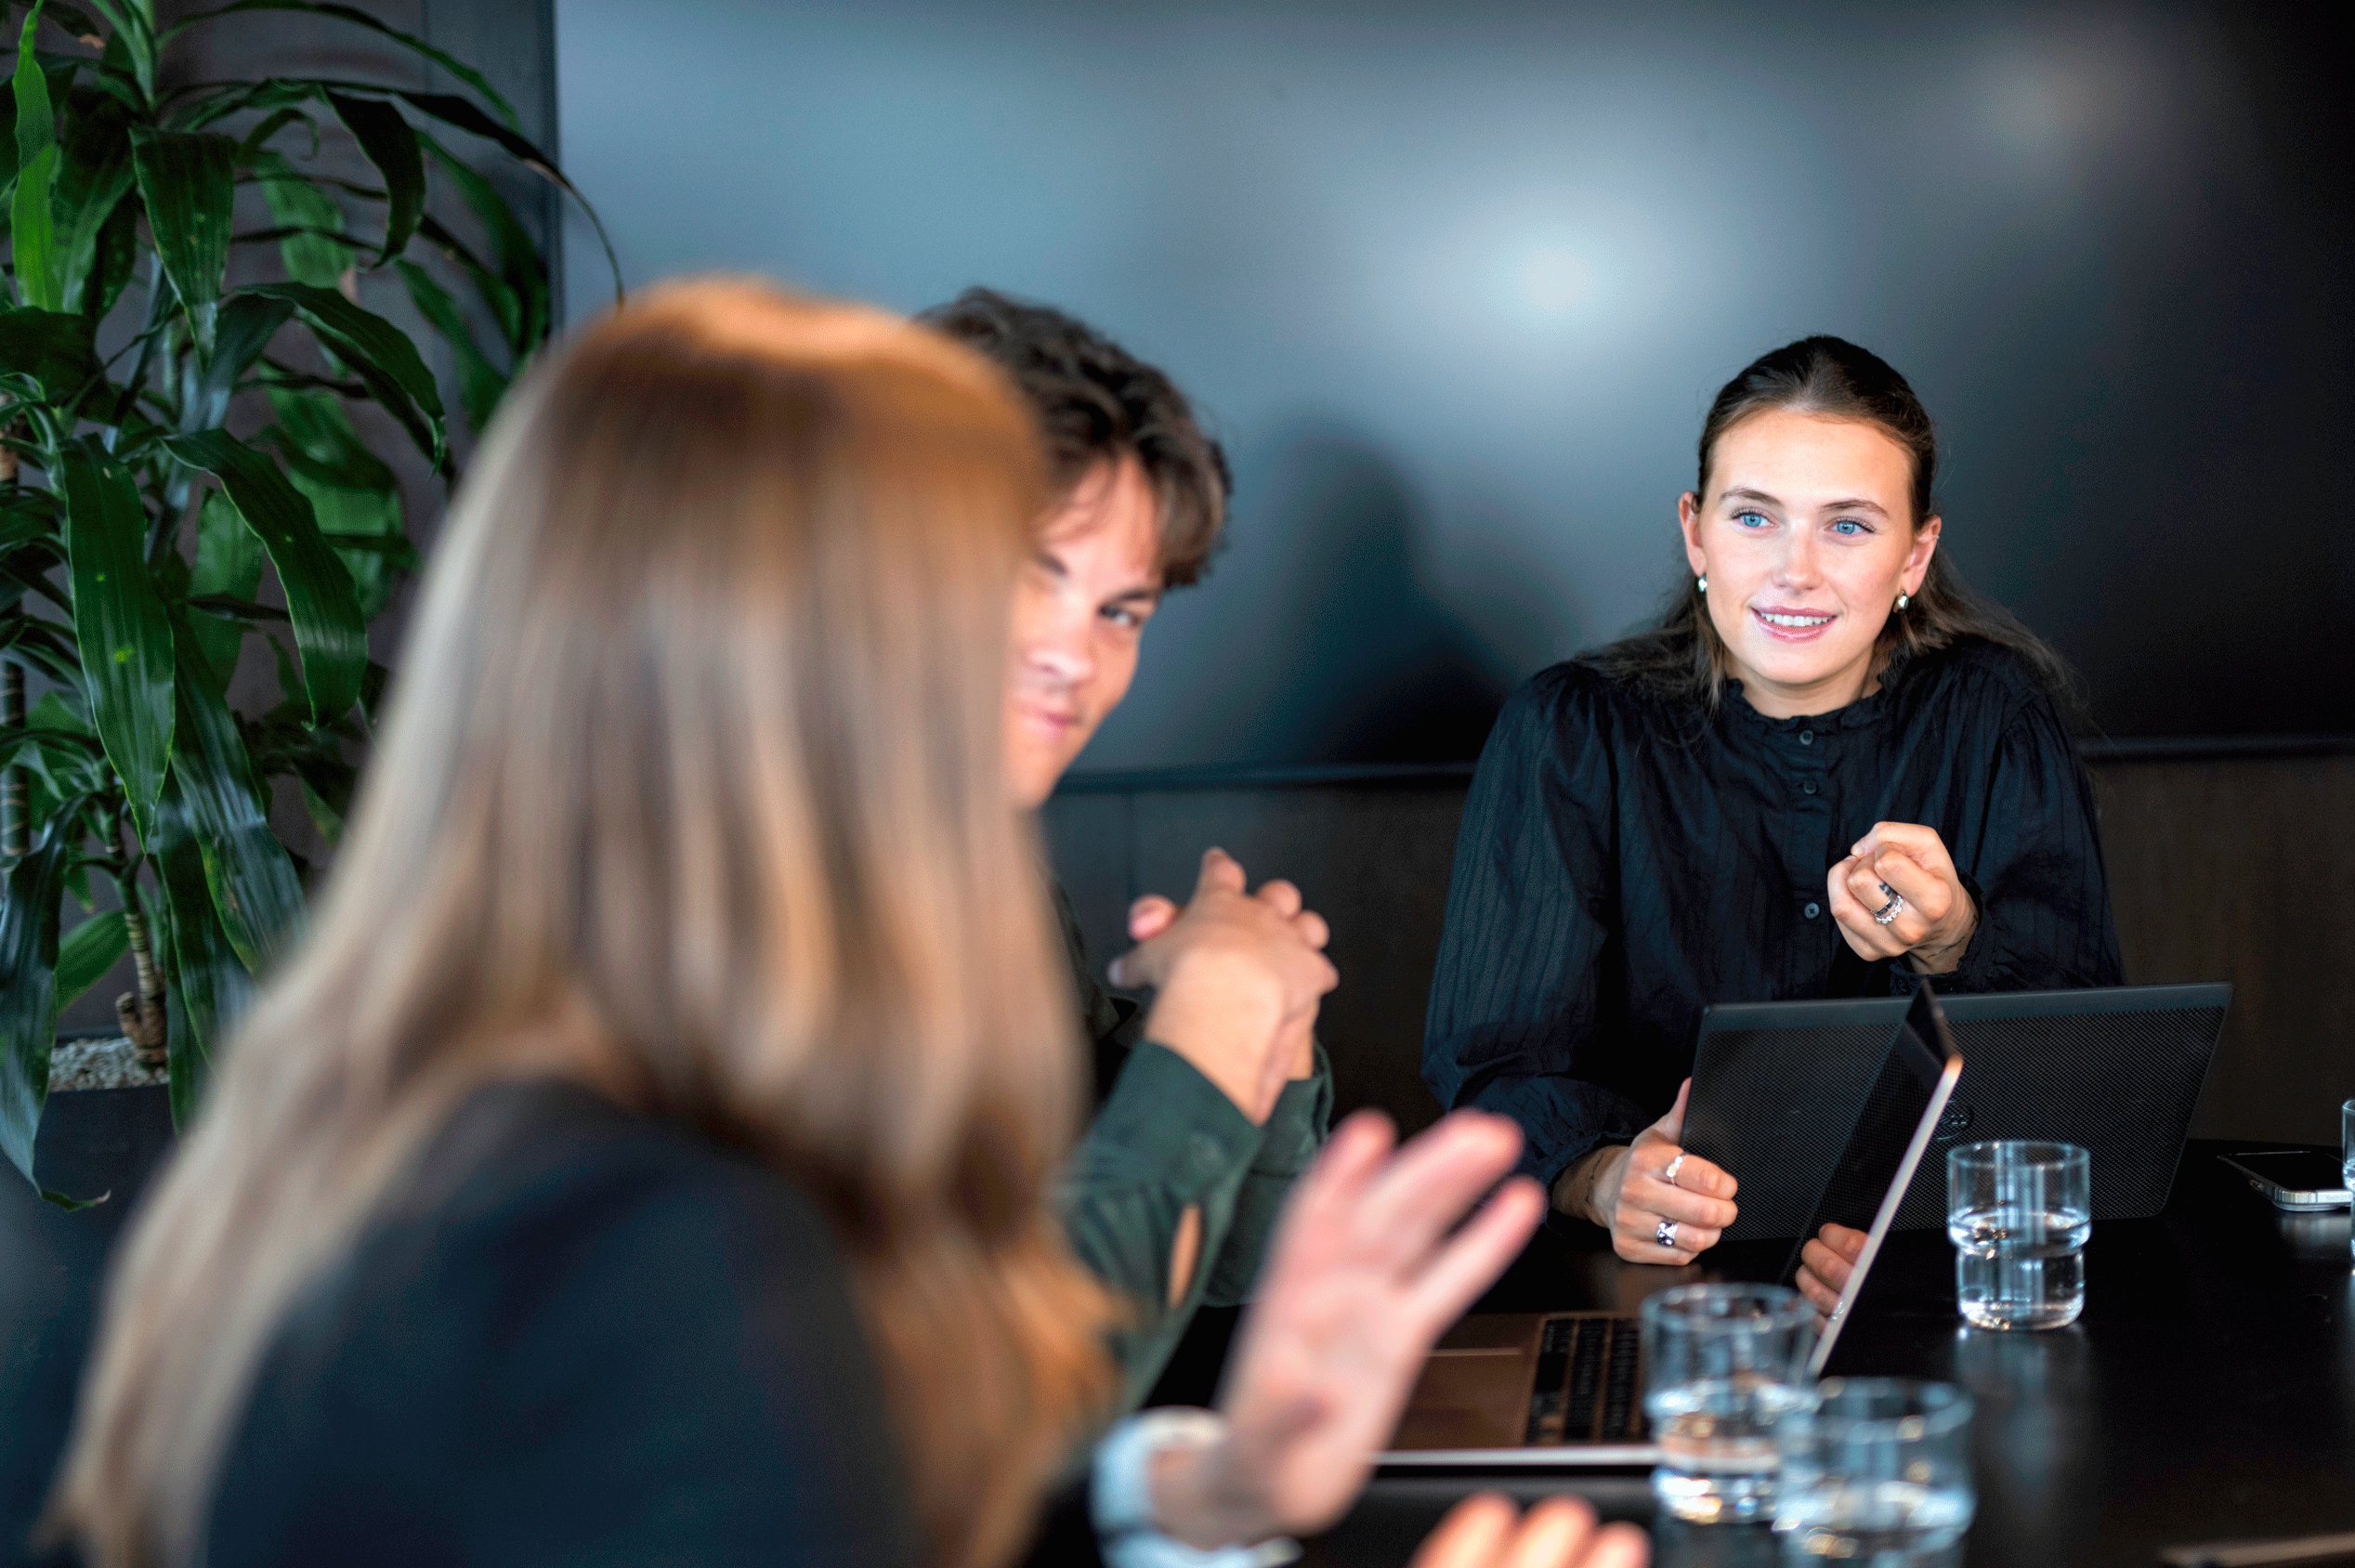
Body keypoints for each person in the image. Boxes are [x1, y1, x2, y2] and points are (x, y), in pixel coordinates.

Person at [45, 282, 1639, 1568]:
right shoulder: (640, 1210)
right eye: (967, 576)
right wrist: (1211, 1038)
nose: (1045, 659)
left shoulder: (527, 1059)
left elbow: (892, 1459)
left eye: (1111, 606)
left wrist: (1204, 1486)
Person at [1421, 336, 2123, 1305]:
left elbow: (2094, 1066)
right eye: (1754, 516)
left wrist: (1962, 939)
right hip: (1642, 1286)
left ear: (1914, 553)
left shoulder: (1996, 715)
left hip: (1923, 1279)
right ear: (1696, 532)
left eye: (1848, 526)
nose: (1796, 571)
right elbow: (1496, 1070)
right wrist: (1602, 1178)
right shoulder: (1570, 729)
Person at [922, 288, 1337, 1409]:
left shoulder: (986, 857)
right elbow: (1009, 1404)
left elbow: (1200, 1291)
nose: (1075, 657)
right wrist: (1205, 1028)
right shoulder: (757, 882)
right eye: (1029, 573)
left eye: (1121, 611)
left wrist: (1262, 1034)